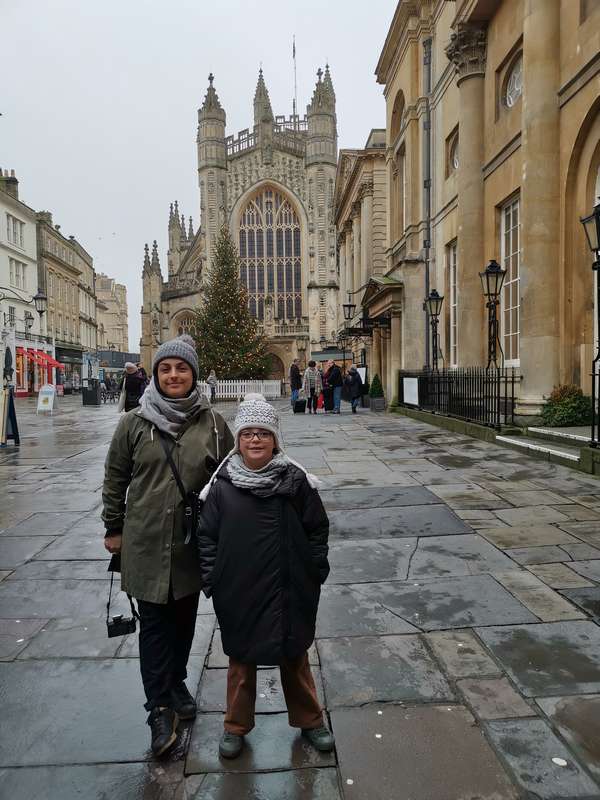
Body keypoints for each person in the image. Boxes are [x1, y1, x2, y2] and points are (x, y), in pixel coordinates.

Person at [102, 335, 234, 757]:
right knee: (155, 627)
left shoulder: (213, 424)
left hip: (191, 544)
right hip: (144, 542)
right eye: (165, 369)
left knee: (185, 621)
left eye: (181, 368)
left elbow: (232, 476)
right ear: (155, 375)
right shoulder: (133, 423)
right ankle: (158, 709)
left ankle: (176, 682)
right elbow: (115, 479)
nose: (173, 375)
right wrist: (113, 527)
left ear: (193, 373)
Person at [196, 393, 334, 759]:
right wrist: (212, 579)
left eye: (263, 433)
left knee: (294, 656)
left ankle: (310, 720)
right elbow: (206, 536)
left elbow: (317, 527)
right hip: (239, 590)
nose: (255, 439)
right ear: (238, 441)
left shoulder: (295, 481)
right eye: (247, 433)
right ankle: (235, 726)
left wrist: (315, 569)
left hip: (289, 586)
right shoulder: (223, 487)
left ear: (275, 439)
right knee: (241, 663)